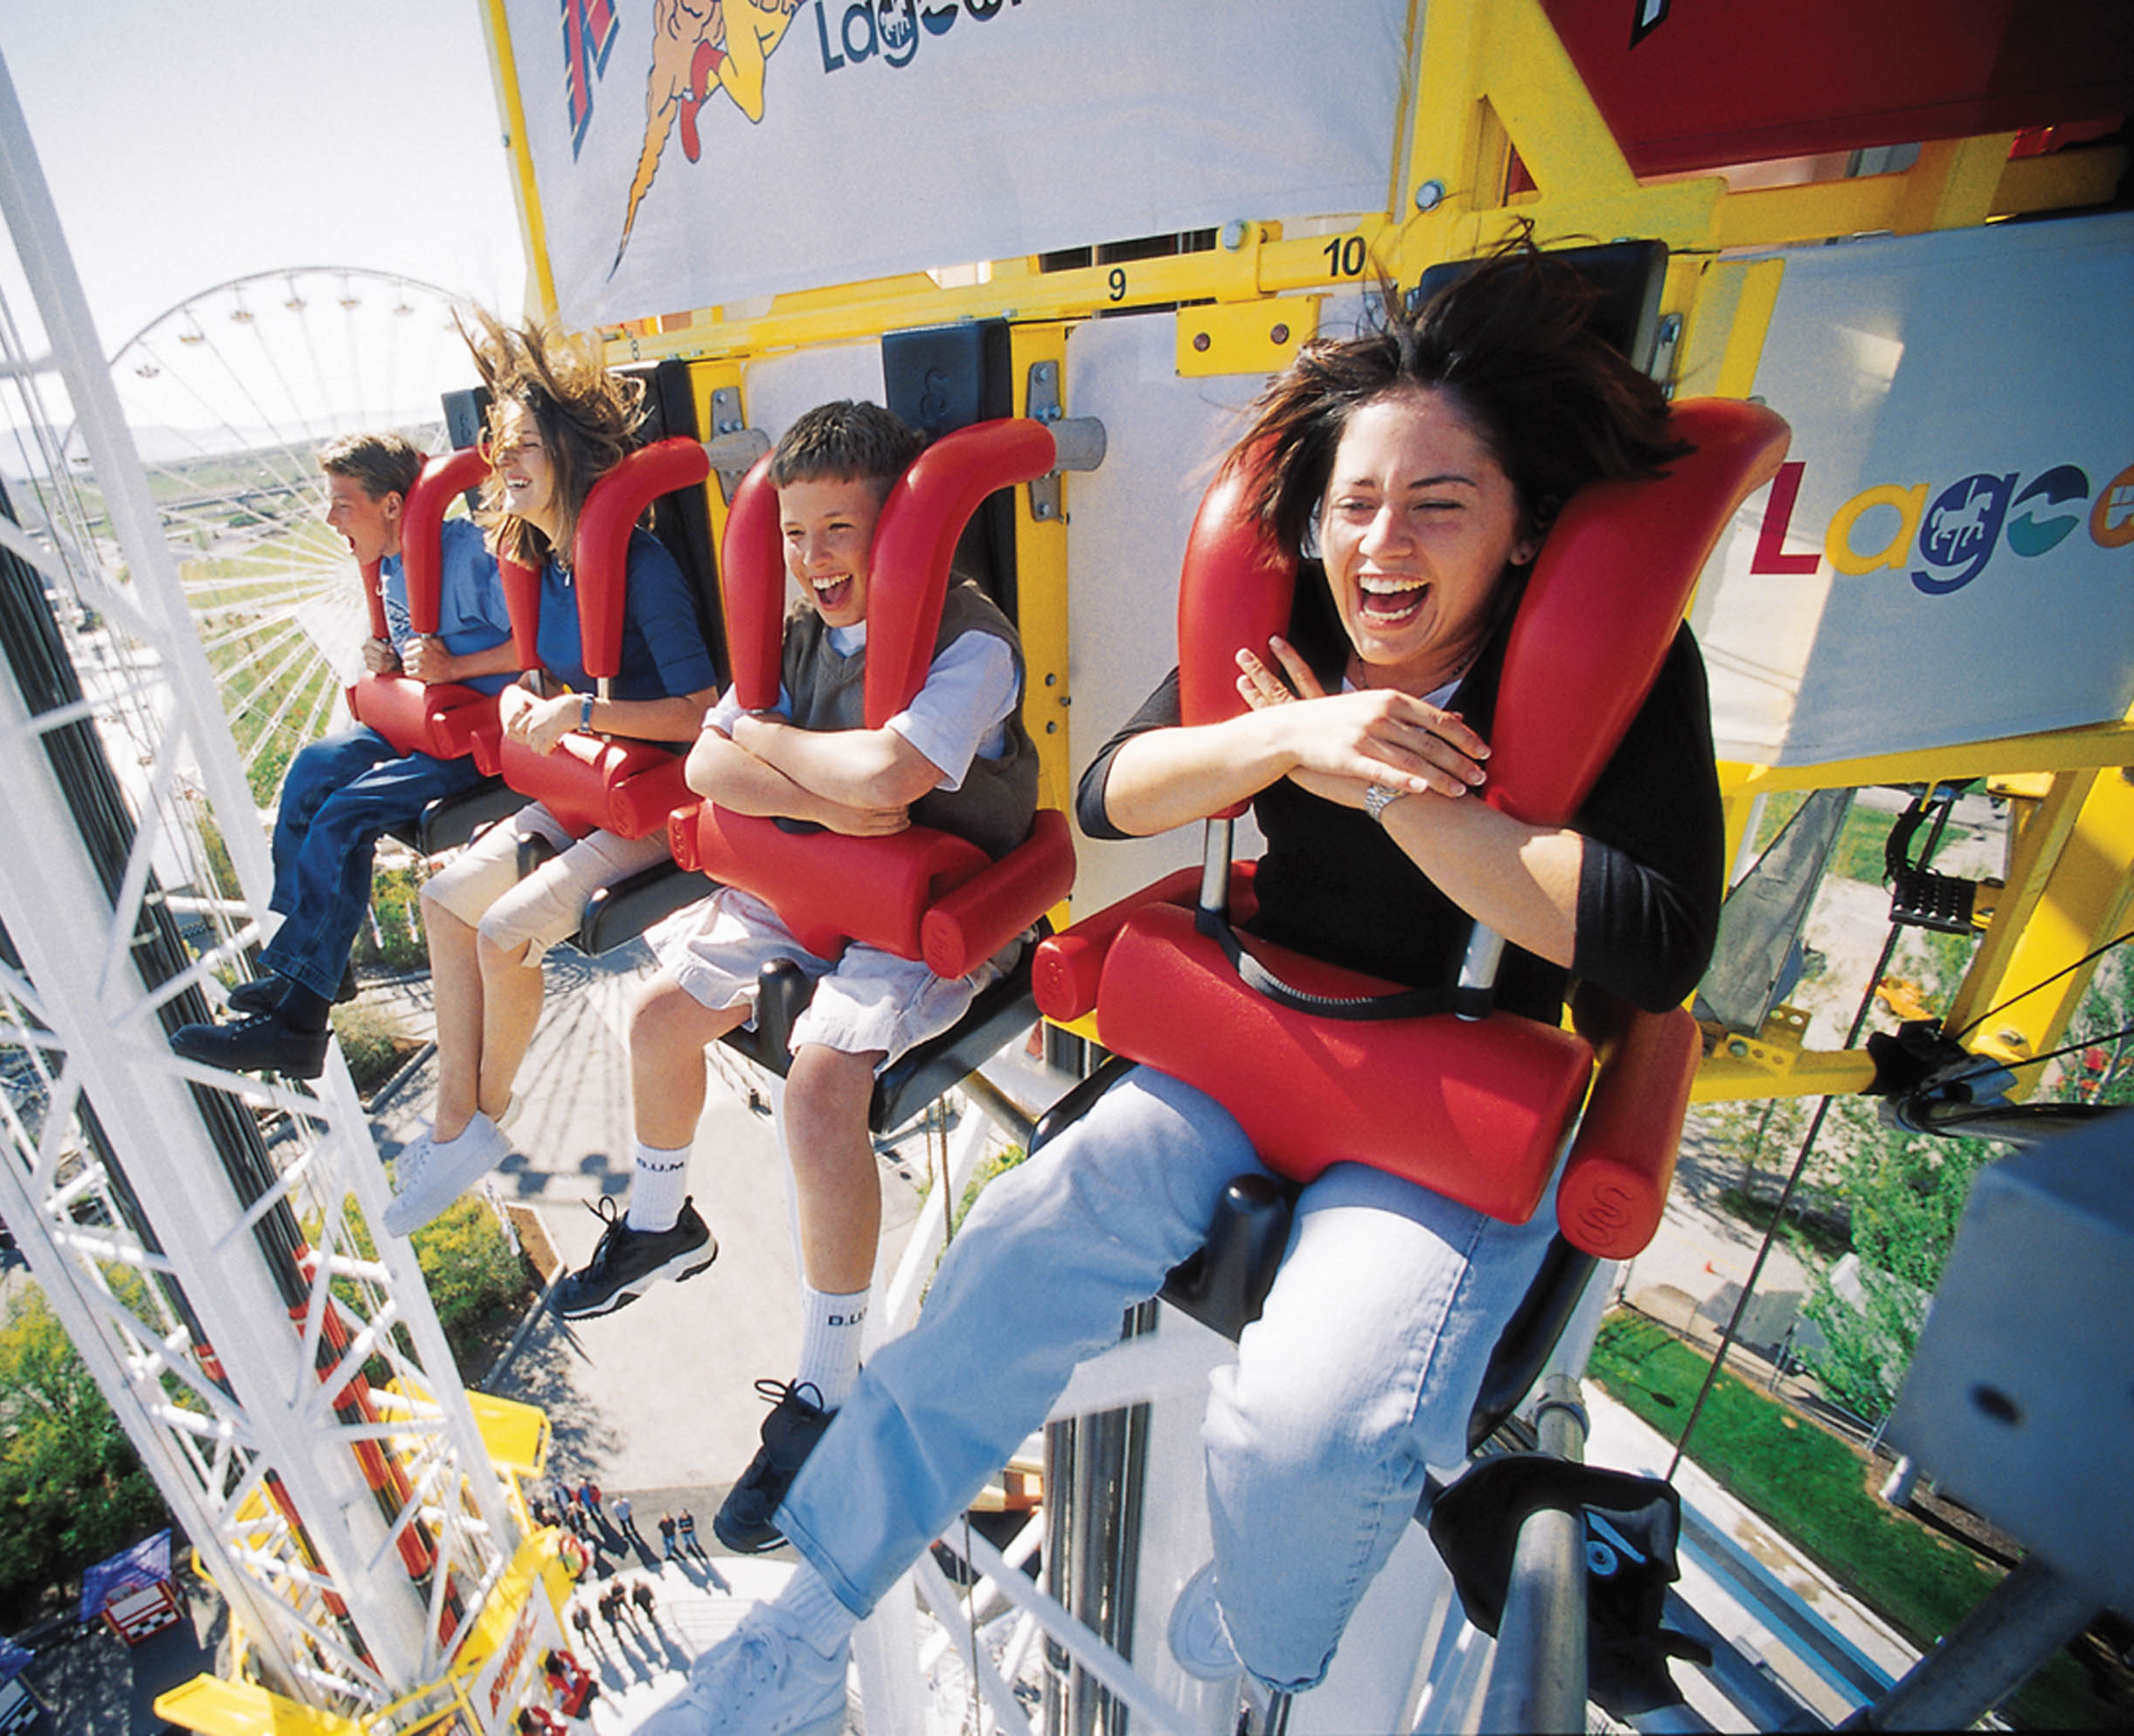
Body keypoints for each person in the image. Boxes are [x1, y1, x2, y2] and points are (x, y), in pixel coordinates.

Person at [636, 245, 1723, 1733]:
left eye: (1436, 504)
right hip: (1254, 1040)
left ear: (1526, 532)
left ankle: (1270, 1644)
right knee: (1005, 1258)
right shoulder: (1296, 648)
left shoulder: (1624, 672)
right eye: (1354, 504)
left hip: (1454, 1093)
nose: (1382, 544)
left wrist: (1398, 794)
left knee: (1306, 1431)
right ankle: (812, 1612)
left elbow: (1657, 941)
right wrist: (1292, 739)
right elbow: (1117, 792)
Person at [548, 400, 1037, 1555]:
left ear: (905, 537)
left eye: (842, 533)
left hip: (929, 907)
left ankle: (827, 1390)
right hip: (816, 887)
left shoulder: (970, 646)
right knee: (661, 1014)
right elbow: (717, 760)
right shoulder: (795, 635)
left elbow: (894, 772)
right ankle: (662, 1222)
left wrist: (814, 780)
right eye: (797, 533)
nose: (816, 561)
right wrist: (837, 799)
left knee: (822, 1090)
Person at [382, 314, 720, 1232]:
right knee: (444, 898)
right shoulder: (544, 566)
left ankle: (477, 1125)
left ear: (569, 453)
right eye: (500, 445)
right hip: (584, 790)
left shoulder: (639, 564)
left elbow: (700, 714)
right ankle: (457, 1124)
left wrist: (580, 713)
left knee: (502, 929)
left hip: (660, 800)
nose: (508, 461)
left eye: (527, 444)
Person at [170, 432, 517, 1080]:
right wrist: (386, 657)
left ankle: (298, 1024)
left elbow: (542, 645)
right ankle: (314, 967)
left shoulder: (469, 556)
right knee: (309, 777)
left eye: (341, 504)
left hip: (476, 733)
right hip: (415, 718)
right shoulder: (389, 566)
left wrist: (457, 664)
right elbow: (416, 646)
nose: (329, 520)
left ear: (392, 504)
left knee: (345, 812)